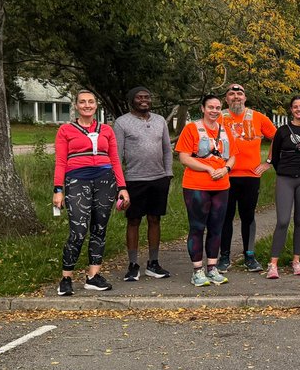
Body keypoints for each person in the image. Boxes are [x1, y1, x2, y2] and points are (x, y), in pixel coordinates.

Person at [53, 90, 129, 295]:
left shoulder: (107, 130)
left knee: (99, 229)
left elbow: (115, 160)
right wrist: (58, 189)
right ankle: (66, 278)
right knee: (78, 231)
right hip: (77, 180)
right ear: (76, 106)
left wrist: (122, 188)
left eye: (91, 102)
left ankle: (93, 276)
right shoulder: (66, 130)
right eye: (82, 102)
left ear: (96, 105)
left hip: (105, 181)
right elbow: (60, 161)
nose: (87, 105)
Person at [113, 86, 172, 282]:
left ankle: (153, 263)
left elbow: (167, 150)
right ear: (132, 100)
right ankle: (133, 264)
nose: (144, 100)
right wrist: (120, 184)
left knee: (155, 220)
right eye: (139, 97)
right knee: (134, 221)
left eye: (147, 97)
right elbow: (117, 156)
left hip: (158, 178)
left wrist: (168, 174)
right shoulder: (122, 123)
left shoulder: (160, 120)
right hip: (133, 180)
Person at [175, 94, 236, 287]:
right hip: (196, 185)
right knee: (197, 227)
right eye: (210, 107)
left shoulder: (225, 130)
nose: (214, 111)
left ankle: (212, 267)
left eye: (218, 108)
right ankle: (197, 270)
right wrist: (208, 168)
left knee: (216, 227)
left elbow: (233, 156)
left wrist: (225, 169)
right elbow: (184, 157)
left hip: (221, 186)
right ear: (202, 108)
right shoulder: (192, 129)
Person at [218, 83, 276, 273]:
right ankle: (224, 256)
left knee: (248, 216)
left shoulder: (257, 117)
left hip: (251, 176)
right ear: (226, 99)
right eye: (232, 94)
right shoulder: (219, 117)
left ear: (245, 98)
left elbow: (278, 137)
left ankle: (249, 255)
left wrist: (268, 162)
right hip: (226, 175)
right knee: (225, 217)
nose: (236, 97)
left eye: (239, 94)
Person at [265, 96, 300, 279]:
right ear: (291, 110)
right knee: (282, 220)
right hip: (285, 179)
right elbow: (274, 157)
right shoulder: (282, 131)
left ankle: (296, 261)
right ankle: (273, 264)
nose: (299, 109)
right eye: (295, 107)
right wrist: (285, 170)